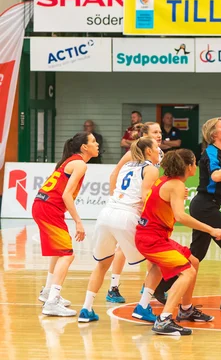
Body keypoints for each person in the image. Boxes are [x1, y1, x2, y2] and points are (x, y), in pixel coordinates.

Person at [154, 118, 221, 310]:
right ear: (214, 134)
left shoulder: (217, 153)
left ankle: (161, 288)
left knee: (195, 255)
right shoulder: (211, 152)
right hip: (205, 207)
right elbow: (215, 176)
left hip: (205, 206)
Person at [135, 149, 221, 336]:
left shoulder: (165, 181)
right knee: (187, 272)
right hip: (151, 239)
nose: (196, 165)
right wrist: (211, 229)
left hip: (151, 236)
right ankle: (164, 320)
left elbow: (156, 199)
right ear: (188, 166)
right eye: (194, 162)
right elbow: (181, 216)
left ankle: (185, 309)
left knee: (192, 260)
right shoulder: (175, 185)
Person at [79, 137, 162, 323]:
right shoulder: (151, 169)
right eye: (156, 147)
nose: (159, 150)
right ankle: (143, 306)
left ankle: (86, 309)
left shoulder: (128, 166)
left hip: (106, 213)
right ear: (148, 151)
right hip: (126, 216)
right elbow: (145, 196)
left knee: (102, 264)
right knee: (158, 262)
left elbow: (114, 180)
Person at [34, 132, 99, 316]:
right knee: (67, 254)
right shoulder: (79, 164)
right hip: (49, 208)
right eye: (93, 141)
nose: (97, 144)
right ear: (84, 147)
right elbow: (66, 195)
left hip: (42, 205)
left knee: (59, 251)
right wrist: (78, 222)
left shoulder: (70, 161)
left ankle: (48, 292)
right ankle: (52, 301)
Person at [101, 122, 164, 304]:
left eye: (160, 132)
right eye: (155, 132)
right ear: (144, 135)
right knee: (122, 247)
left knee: (152, 243)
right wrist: (116, 196)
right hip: (127, 206)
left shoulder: (159, 154)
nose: (159, 135)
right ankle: (113, 286)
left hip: (141, 205)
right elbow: (114, 174)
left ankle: (148, 286)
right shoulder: (132, 153)